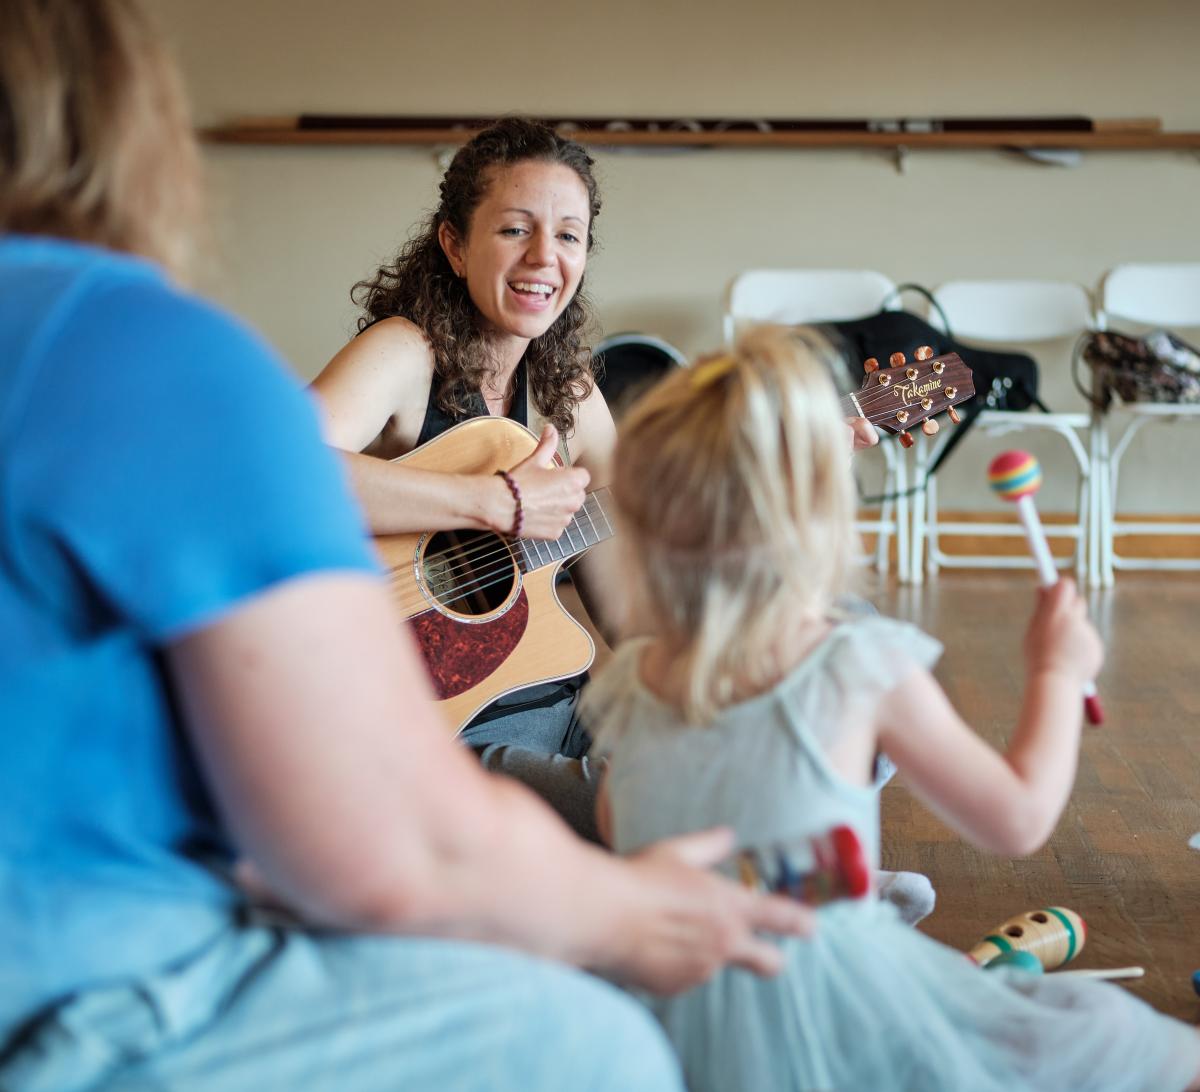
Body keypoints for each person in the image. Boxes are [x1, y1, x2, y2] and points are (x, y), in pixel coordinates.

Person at [0, 5, 815, 1089]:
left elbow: (632, 544)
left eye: (568, 233)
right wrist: (485, 504)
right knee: (605, 1047)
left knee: (741, 735)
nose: (544, 257)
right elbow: (372, 837)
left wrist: (702, 637)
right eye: (516, 227)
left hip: (506, 712)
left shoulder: (565, 385)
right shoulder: (168, 350)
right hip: (101, 972)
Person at [583, 325, 1200, 1092]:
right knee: (1101, 1031)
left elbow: (619, 822)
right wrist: (1054, 667)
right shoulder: (859, 666)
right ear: (823, 512)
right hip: (831, 1013)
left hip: (675, 1018)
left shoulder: (632, 677)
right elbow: (1017, 819)